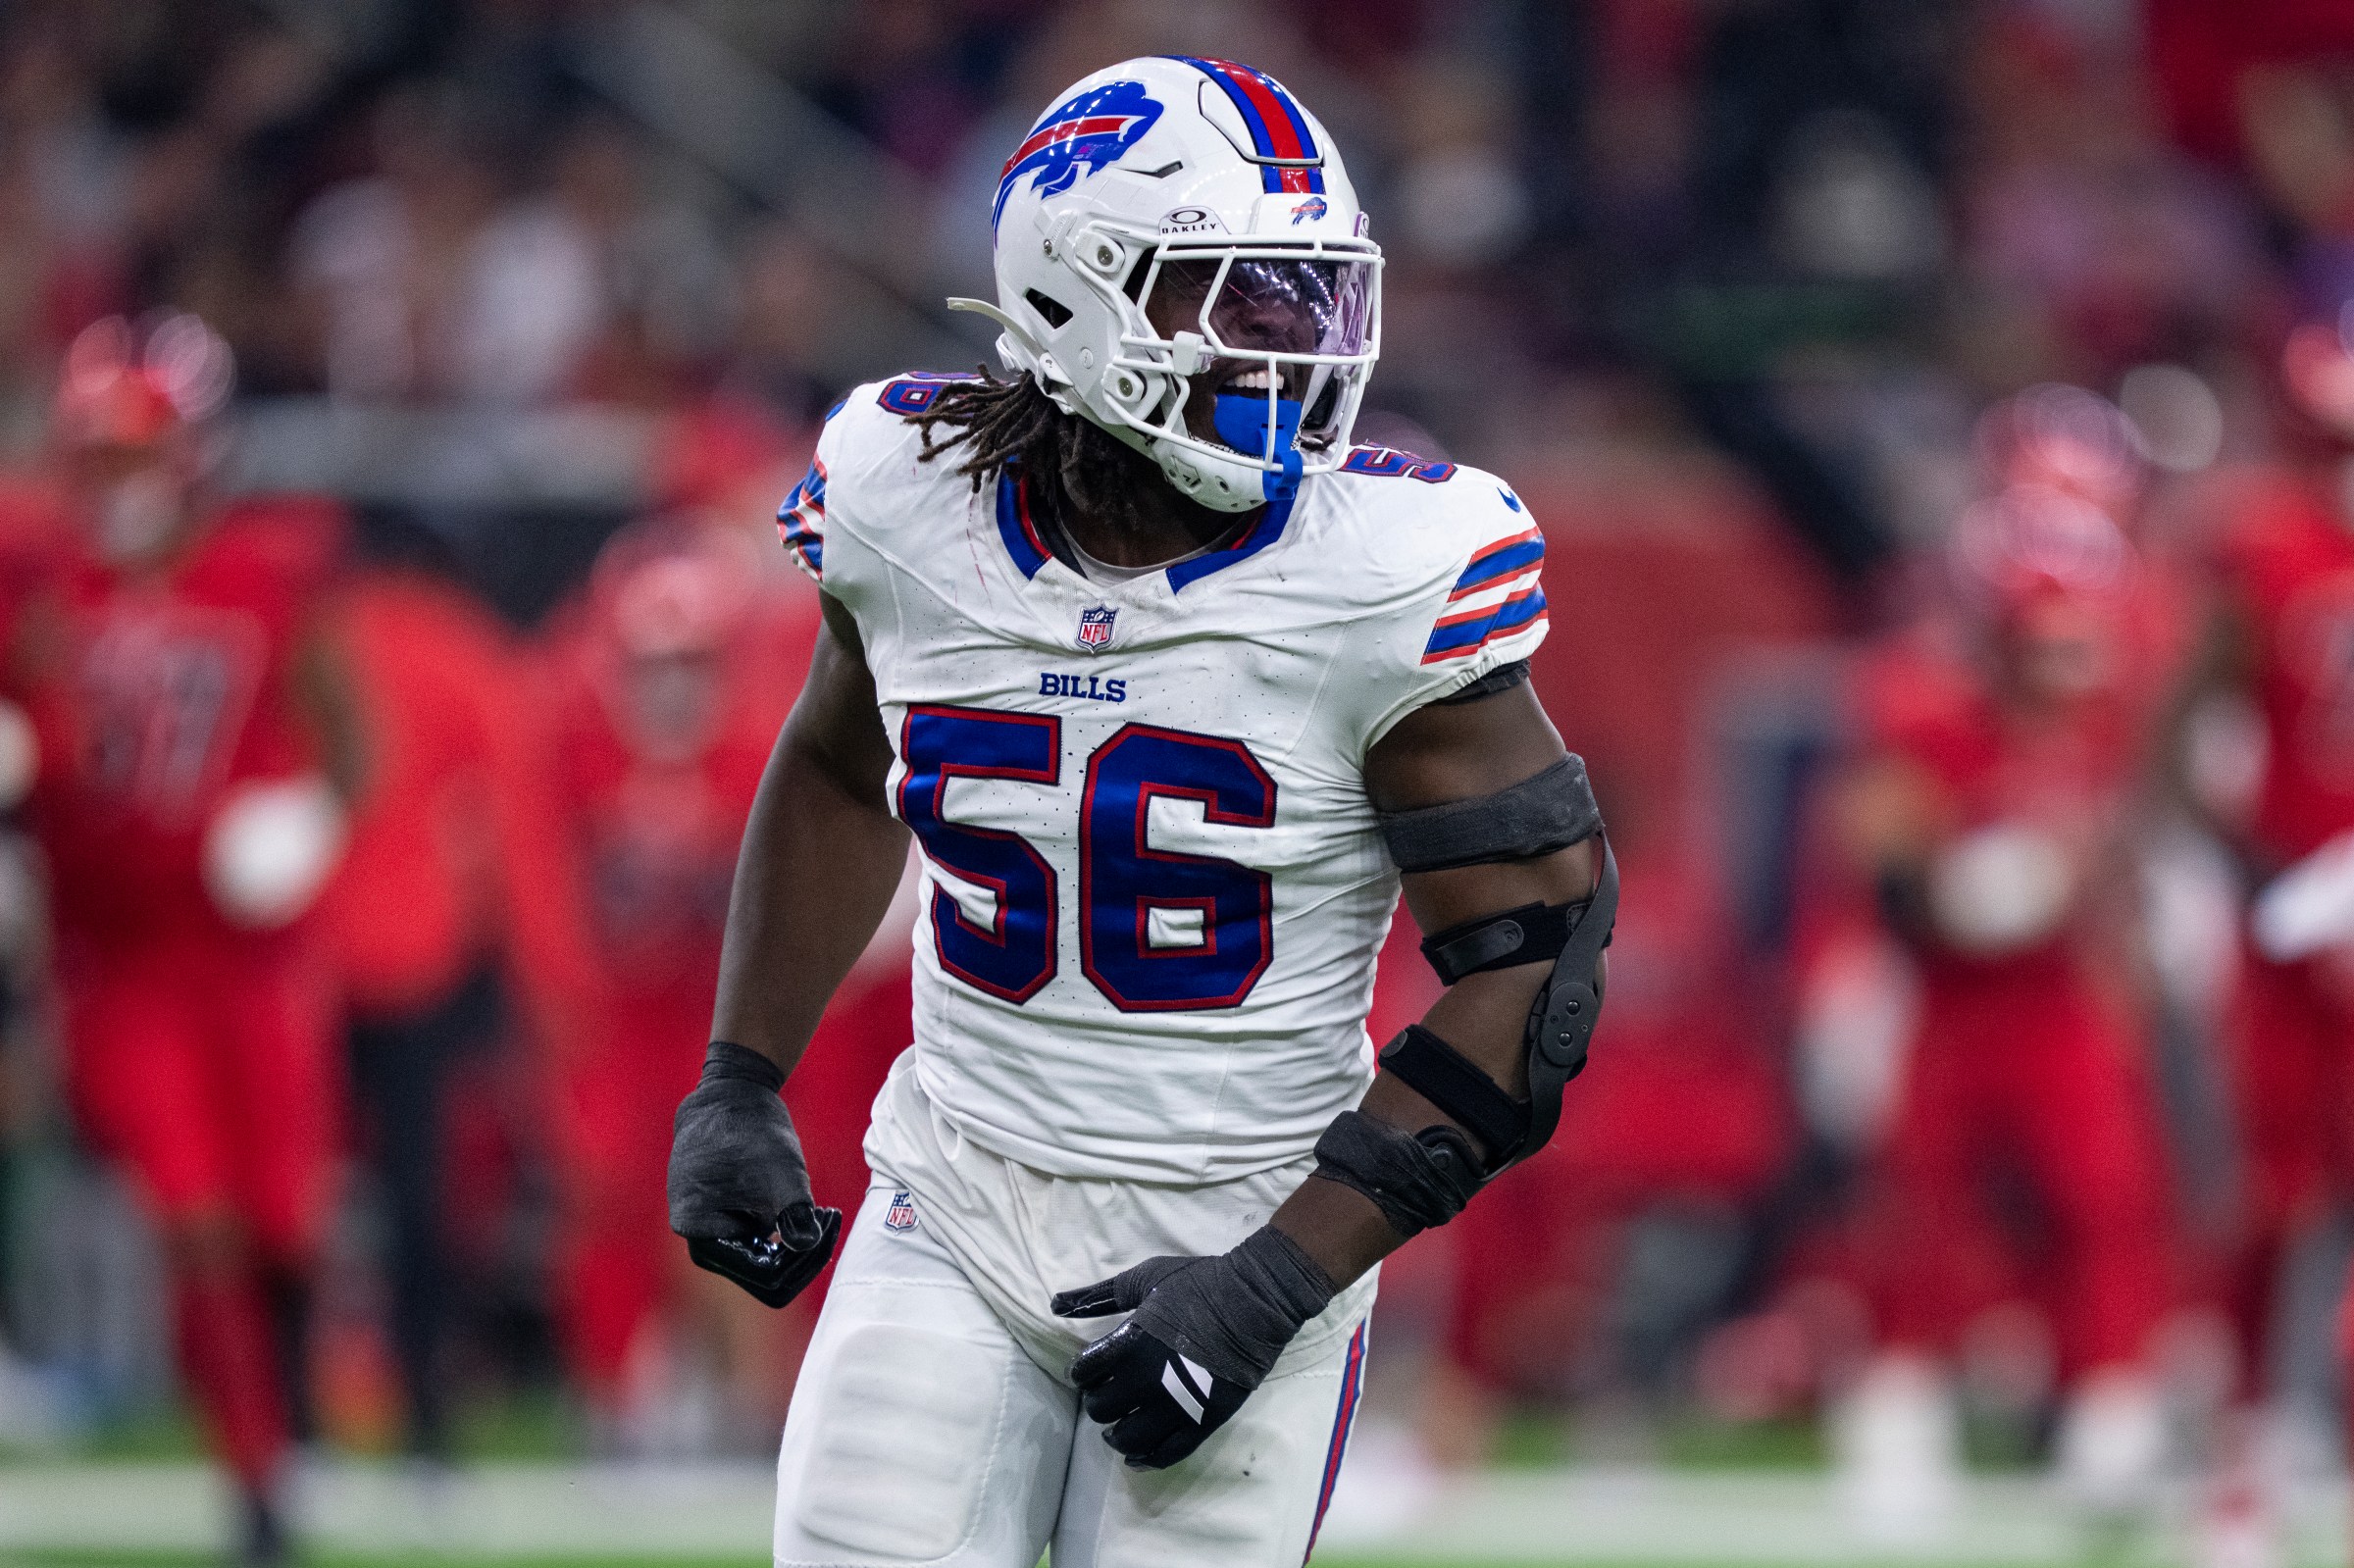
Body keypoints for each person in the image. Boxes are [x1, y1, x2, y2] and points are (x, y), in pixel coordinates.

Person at [662, 57, 1615, 1563]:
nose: (1296, 350)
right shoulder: (908, 499)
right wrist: (740, 1075)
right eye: (1241, 300)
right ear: (1077, 294)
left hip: (1246, 1223)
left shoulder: (1387, 567)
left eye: (1315, 301)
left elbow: (1538, 964)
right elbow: (848, 764)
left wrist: (1276, 1280)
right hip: (953, 1202)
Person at [19, 315, 359, 1563]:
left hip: (250, 954)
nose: (111, 487)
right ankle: (257, 1476)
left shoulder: (266, 572)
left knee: (285, 1219)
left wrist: (311, 820)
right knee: (193, 1214)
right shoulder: (40, 576)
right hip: (120, 956)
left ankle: (287, 1426)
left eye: (135, 457)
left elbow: (347, 740)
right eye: (95, 459)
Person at [1835, 477, 2175, 1531]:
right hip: (1954, 997)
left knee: (2107, 1198)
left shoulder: (2108, 714)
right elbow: (1880, 855)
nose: (2071, 655)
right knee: (1924, 1210)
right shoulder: (1927, 708)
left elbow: (2118, 849)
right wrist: (1954, 890)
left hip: (2061, 995)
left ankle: (2111, 1415)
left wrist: (2121, 937)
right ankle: (1898, 1414)